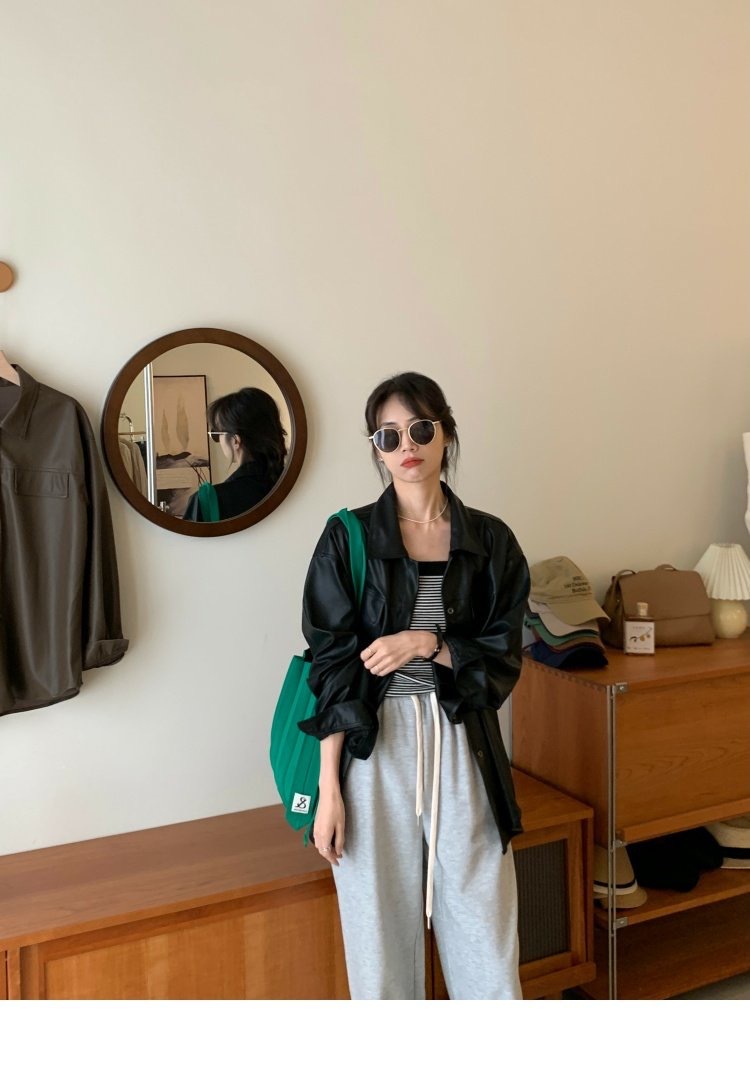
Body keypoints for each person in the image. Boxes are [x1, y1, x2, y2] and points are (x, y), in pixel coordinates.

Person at [299, 372, 530, 1000]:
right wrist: (328, 790)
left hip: (462, 736)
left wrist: (427, 642)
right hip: (373, 745)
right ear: (376, 449)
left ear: (445, 434)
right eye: (389, 435)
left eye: (421, 429)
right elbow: (331, 667)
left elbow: (504, 653)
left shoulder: (491, 540)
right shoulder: (346, 536)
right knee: (376, 927)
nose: (407, 445)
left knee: (484, 918)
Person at [184, 387, 287, 521]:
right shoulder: (296, 486)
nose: (218, 441)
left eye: (216, 434)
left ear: (235, 440)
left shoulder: (207, 501)